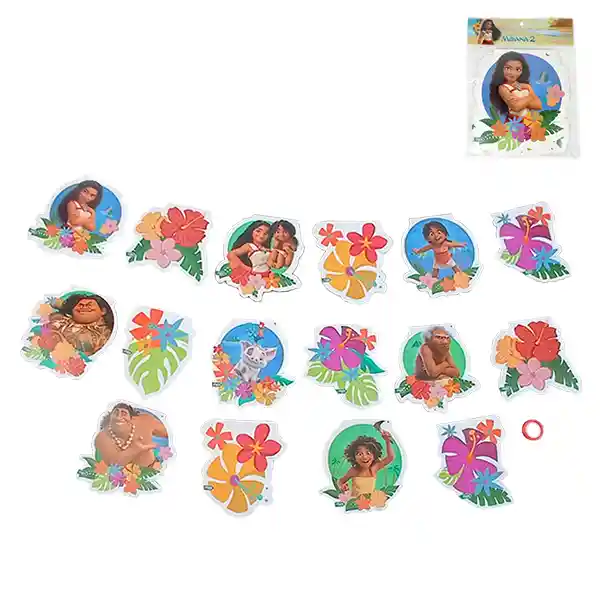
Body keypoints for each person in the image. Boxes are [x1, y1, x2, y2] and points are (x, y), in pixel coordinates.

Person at [95, 404, 168, 468]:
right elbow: (111, 465)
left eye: (123, 413)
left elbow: (170, 432)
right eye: (116, 413)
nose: (119, 417)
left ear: (131, 418)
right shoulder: (102, 438)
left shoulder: (146, 422)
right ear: (110, 417)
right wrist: (134, 449)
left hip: (153, 469)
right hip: (120, 477)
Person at [338, 431, 394, 507]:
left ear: (374, 455)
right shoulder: (354, 470)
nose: (364, 457)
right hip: (355, 502)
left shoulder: (374, 468)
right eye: (360, 454)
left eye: (368, 453)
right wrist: (342, 487)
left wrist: (387, 441)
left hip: (370, 502)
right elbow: (341, 481)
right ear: (354, 457)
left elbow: (390, 457)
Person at [48, 294, 113, 355]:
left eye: (89, 305)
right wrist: (63, 306)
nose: (84, 307)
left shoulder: (107, 332)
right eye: (80, 305)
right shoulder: (62, 321)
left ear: (103, 311)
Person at [490, 52, 542, 119]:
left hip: (529, 120)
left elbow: (538, 105)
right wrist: (530, 98)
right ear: (501, 69)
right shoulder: (503, 87)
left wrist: (521, 100)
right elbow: (516, 107)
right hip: (515, 121)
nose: (513, 73)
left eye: (518, 69)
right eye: (508, 68)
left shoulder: (526, 86)